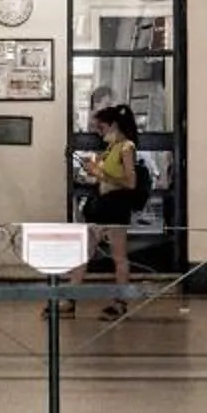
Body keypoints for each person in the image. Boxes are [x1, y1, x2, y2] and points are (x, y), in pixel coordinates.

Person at [68, 104, 147, 321]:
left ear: (113, 125)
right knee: (83, 253)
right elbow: (102, 175)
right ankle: (69, 298)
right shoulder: (110, 149)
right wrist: (93, 171)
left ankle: (120, 302)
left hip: (115, 207)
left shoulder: (126, 148)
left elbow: (130, 182)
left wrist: (100, 174)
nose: (98, 133)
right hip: (100, 206)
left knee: (118, 256)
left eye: (101, 128)